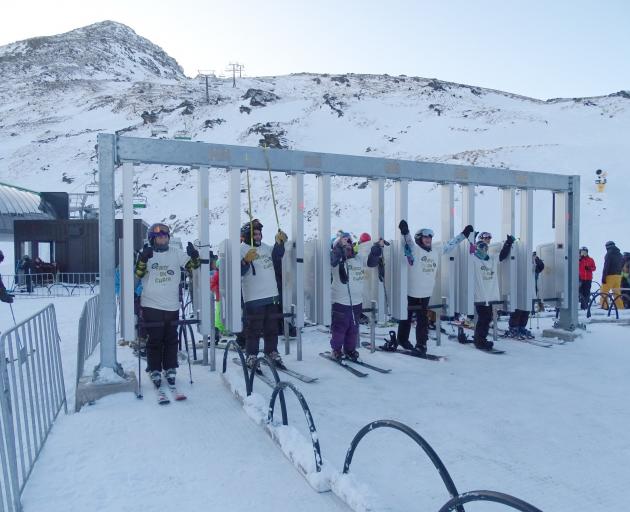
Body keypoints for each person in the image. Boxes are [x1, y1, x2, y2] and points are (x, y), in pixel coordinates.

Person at [387, 221, 473, 354]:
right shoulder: (415, 250)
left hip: (426, 293)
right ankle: (402, 340)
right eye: (425, 237)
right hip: (411, 292)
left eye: (430, 237)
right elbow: (408, 241)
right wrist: (405, 231)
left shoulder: (436, 251)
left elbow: (452, 244)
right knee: (406, 318)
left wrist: (463, 235)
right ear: (419, 239)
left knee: (422, 321)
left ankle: (421, 345)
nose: (428, 240)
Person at [134, 222, 200, 392]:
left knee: (171, 338)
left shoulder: (176, 253)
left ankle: (170, 367)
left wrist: (194, 257)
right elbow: (138, 275)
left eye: (165, 236)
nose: (163, 239)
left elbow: (193, 268)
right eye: (159, 237)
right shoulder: (146, 254)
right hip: (151, 304)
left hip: (172, 305)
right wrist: (142, 259)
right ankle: (154, 368)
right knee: (155, 339)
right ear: (153, 239)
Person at [240, 219, 288, 370]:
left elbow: (277, 259)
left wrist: (279, 243)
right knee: (253, 329)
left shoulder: (267, 248)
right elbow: (237, 273)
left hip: (271, 295)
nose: (258, 236)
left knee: (272, 328)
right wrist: (245, 261)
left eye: (259, 234)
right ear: (248, 235)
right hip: (254, 298)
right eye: (254, 234)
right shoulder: (241, 249)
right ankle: (251, 355)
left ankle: (271, 351)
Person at [330, 231, 383, 361]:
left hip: (357, 302)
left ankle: (350, 349)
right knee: (339, 329)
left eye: (349, 245)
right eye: (345, 245)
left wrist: (376, 250)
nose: (348, 248)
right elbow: (334, 259)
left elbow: (371, 262)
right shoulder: (337, 260)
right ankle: (336, 350)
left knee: (353, 329)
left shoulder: (358, 258)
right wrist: (339, 247)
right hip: (340, 302)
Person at [470, 235, 515, 350]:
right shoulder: (474, 259)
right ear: (477, 248)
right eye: (481, 247)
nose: (483, 250)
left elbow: (502, 255)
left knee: (487, 318)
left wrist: (508, 243)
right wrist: (472, 240)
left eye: (485, 248)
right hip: (480, 295)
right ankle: (479, 340)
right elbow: (468, 251)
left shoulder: (491, 258)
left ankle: (480, 339)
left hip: (490, 295)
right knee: (484, 318)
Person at [506, 252, 544, 339]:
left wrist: (536, 259)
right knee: (517, 310)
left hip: (529, 291)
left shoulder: (532, 264)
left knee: (526, 310)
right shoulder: (517, 262)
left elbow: (541, 267)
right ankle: (513, 327)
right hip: (518, 290)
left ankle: (521, 327)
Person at [600, 241, 624, 310]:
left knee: (604, 291)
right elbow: (622, 265)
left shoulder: (609, 254)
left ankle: (604, 307)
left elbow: (606, 266)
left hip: (609, 276)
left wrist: (603, 277)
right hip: (618, 276)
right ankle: (620, 307)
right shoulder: (620, 254)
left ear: (607, 246)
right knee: (617, 293)